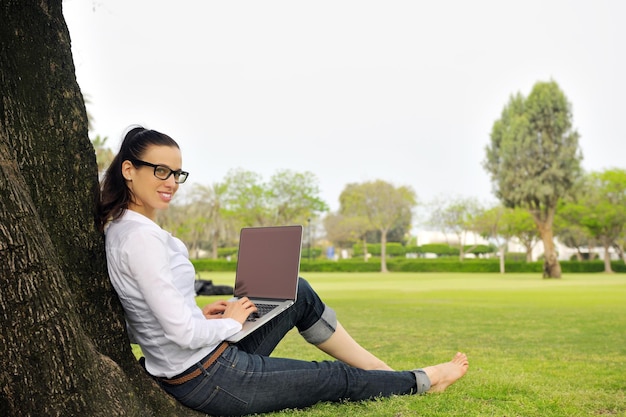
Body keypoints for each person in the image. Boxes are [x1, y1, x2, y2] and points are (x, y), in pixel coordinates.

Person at [97, 126, 469, 416]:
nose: (171, 183)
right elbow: (179, 332)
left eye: (178, 173)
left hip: (204, 359)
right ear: (129, 170)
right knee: (332, 378)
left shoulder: (123, 230)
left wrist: (201, 314)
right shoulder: (141, 239)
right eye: (161, 170)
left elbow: (145, 317)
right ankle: (425, 379)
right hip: (207, 376)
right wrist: (230, 322)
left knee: (296, 291)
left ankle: (382, 373)